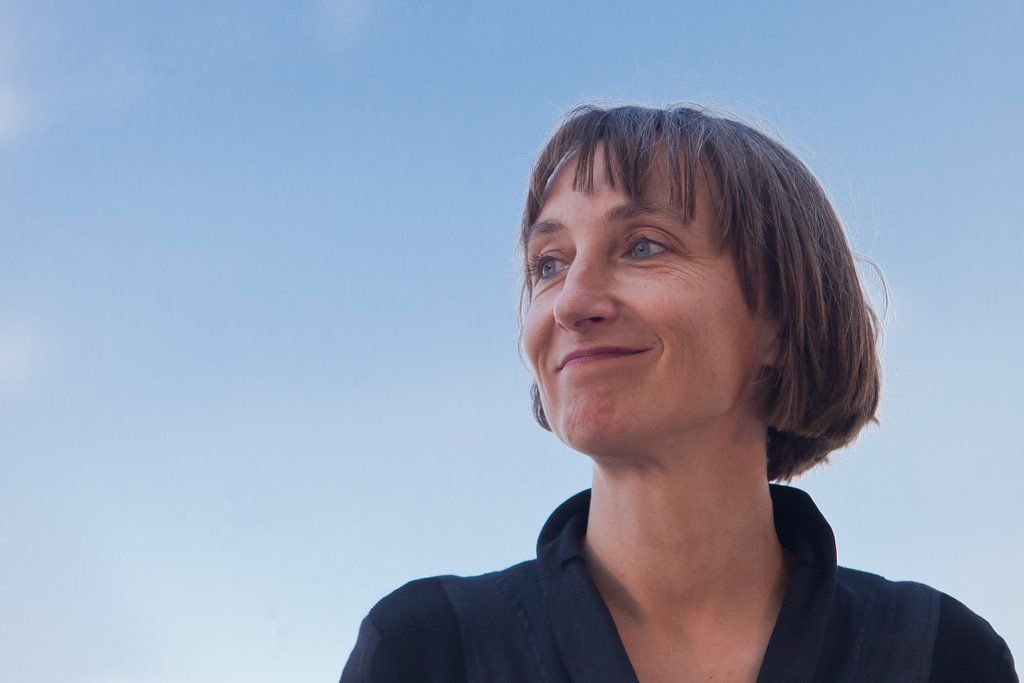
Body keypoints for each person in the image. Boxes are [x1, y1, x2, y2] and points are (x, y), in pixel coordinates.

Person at [339, 104, 1018, 682]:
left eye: (643, 247)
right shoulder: (425, 650)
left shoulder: (943, 656)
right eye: (550, 263)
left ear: (783, 319)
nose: (571, 302)